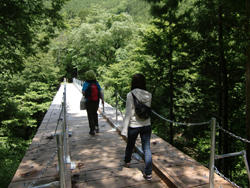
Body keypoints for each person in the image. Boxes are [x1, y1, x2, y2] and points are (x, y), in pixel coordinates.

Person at [121, 73, 152, 181]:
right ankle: (148, 173)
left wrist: (124, 129)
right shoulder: (149, 94)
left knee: (130, 144)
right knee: (146, 148)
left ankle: (127, 161)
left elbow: (128, 113)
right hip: (146, 124)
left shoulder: (130, 95)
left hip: (134, 125)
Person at [82, 70, 104, 136]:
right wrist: (102, 100)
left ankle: (92, 130)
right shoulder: (96, 82)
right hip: (96, 100)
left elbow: (83, 92)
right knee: (95, 113)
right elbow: (100, 91)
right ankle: (97, 127)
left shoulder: (86, 83)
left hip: (88, 101)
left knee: (90, 115)